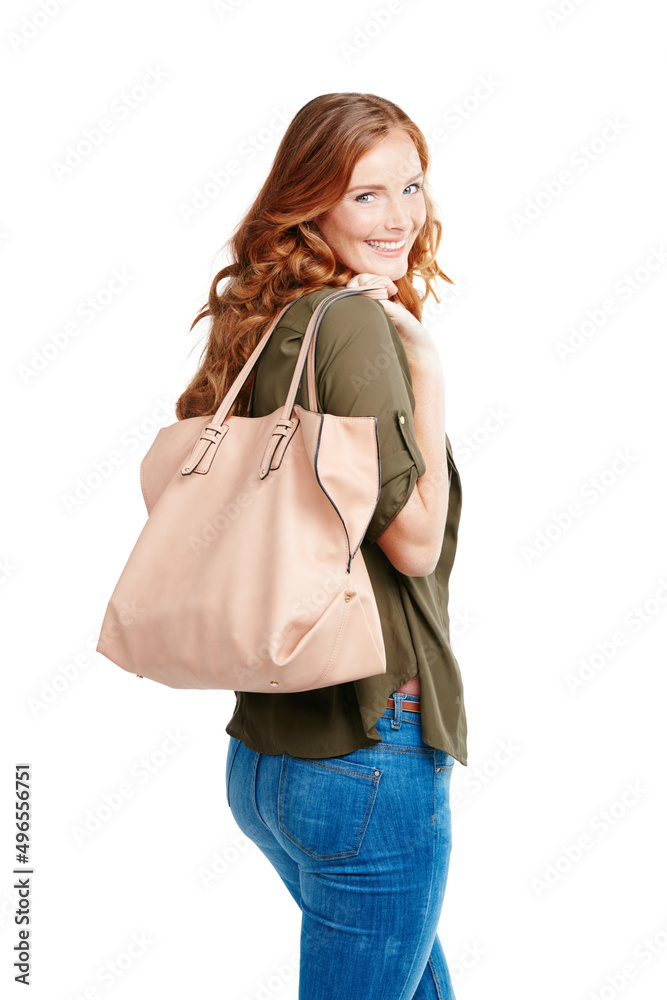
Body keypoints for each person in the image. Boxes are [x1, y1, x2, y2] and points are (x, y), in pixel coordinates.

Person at [177, 92, 468, 1000]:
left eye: (410, 187)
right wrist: (427, 373)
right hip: (368, 753)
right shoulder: (349, 324)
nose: (399, 218)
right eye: (365, 196)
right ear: (312, 201)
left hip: (267, 758)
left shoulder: (263, 319)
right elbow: (414, 543)